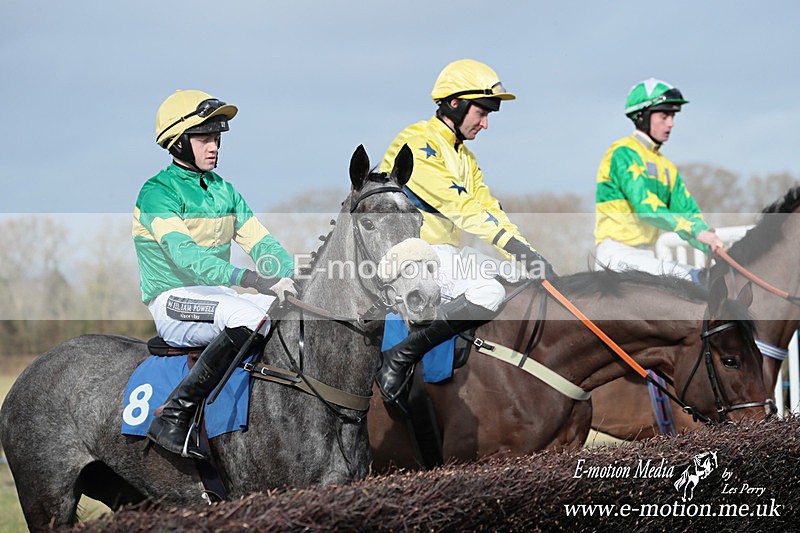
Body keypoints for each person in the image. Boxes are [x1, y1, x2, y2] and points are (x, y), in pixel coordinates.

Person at [377, 59, 557, 404]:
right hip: (409, 255)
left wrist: (526, 252)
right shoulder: (416, 142)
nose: (486, 124)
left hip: (443, 254)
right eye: (482, 112)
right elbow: (465, 210)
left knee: (515, 278)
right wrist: (518, 249)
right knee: (488, 293)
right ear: (455, 103)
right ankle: (398, 358)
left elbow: (490, 209)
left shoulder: (466, 159)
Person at [133, 89, 297, 460]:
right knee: (250, 315)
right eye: (204, 138)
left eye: (217, 138)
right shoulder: (156, 193)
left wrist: (290, 275)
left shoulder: (226, 191)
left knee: (283, 311)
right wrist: (250, 279)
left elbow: (262, 244)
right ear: (177, 143)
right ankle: (174, 415)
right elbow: (187, 257)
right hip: (173, 299)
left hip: (218, 296)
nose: (214, 147)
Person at [594, 78, 723, 281]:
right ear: (642, 117)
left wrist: (709, 241)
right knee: (694, 281)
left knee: (708, 280)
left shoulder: (666, 167)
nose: (670, 123)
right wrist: (696, 231)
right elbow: (647, 208)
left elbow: (687, 211)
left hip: (646, 257)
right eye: (664, 116)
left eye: (672, 116)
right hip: (617, 258)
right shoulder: (623, 153)